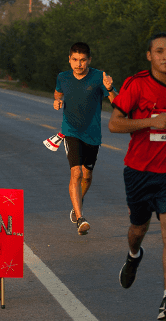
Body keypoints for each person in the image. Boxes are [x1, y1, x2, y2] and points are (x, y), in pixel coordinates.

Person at [108, 32, 166, 321]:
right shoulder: (136, 85)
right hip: (139, 171)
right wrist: (150, 121)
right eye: (159, 51)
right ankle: (134, 255)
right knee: (138, 229)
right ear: (149, 55)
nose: (165, 56)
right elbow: (114, 124)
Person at [53, 42, 118, 235]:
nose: (78, 64)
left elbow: (118, 104)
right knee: (76, 173)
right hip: (71, 132)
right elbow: (58, 93)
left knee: (87, 176)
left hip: (93, 135)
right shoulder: (62, 77)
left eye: (82, 60)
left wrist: (111, 88)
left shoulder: (99, 77)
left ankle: (77, 204)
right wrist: (57, 100)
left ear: (89, 60)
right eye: (74, 60)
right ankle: (80, 218)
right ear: (69, 59)